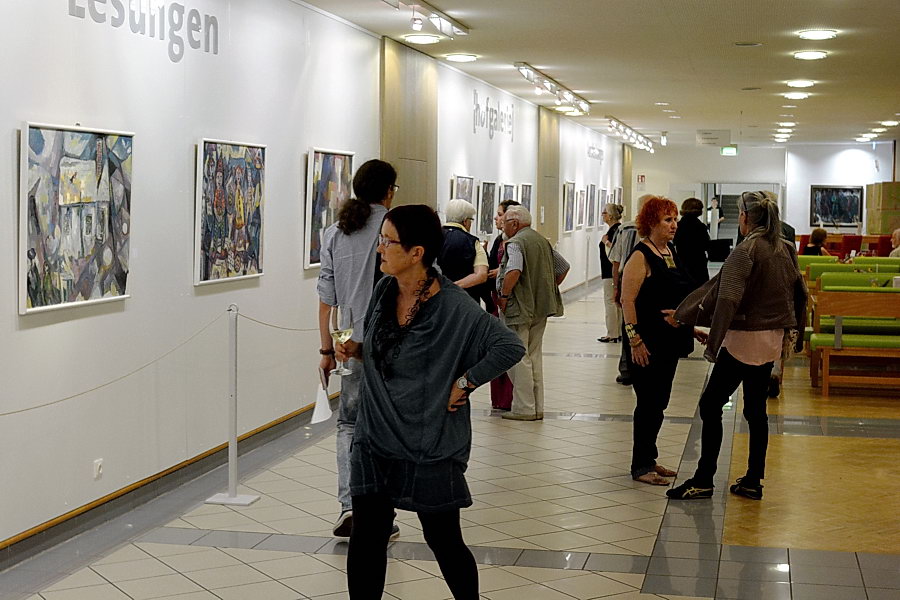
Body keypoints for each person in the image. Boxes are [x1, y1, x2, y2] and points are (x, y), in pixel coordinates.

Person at [337, 205, 525, 599]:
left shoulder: (454, 306)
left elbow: (509, 346)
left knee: (443, 539)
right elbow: (386, 350)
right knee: (367, 537)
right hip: (374, 437)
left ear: (416, 252)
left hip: (428, 442)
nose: (379, 248)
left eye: (388, 241)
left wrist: (466, 382)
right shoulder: (385, 290)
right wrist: (356, 349)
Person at [667, 191, 807, 501]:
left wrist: (711, 339)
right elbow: (799, 291)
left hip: (745, 340)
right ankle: (753, 480)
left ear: (744, 217)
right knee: (756, 410)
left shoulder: (746, 250)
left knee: (710, 405)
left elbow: (726, 298)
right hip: (771, 339)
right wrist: (796, 332)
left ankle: (704, 479)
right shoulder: (783, 246)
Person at [316, 159, 399, 539]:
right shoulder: (395, 228)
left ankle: (350, 505)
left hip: (348, 345)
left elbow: (326, 300)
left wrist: (325, 350)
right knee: (386, 425)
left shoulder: (336, 232)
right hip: (391, 343)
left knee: (349, 424)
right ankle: (380, 512)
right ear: (389, 191)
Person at [620, 196, 700, 485]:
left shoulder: (670, 251)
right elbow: (627, 300)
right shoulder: (640, 256)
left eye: (675, 219)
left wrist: (691, 328)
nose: (674, 225)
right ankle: (640, 466)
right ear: (651, 223)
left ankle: (650, 458)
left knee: (659, 402)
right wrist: (635, 341)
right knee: (648, 403)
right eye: (667, 220)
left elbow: (674, 295)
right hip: (647, 341)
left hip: (669, 341)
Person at [497, 206, 570, 421]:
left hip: (520, 308)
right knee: (534, 355)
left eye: (505, 222)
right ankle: (537, 406)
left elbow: (514, 270)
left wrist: (504, 295)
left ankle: (524, 408)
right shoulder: (541, 241)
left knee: (518, 356)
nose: (502, 226)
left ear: (515, 223)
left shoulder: (516, 243)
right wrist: (547, 287)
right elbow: (563, 267)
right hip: (540, 307)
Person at [609, 194, 654, 385]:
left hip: (626, 280)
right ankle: (638, 364)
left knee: (627, 323)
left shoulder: (624, 228)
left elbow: (615, 260)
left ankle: (627, 368)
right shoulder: (648, 229)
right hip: (646, 282)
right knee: (639, 322)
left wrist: (616, 285)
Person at [486, 199, 521, 410]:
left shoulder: (517, 243)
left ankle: (509, 397)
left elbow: (515, 270)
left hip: (507, 301)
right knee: (495, 347)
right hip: (494, 299)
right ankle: (499, 399)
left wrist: (501, 273)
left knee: (508, 346)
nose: (496, 218)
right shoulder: (499, 240)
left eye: (500, 214)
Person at [437, 199, 488, 302]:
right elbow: (481, 275)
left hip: (435, 299)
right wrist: (453, 286)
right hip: (465, 300)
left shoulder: (432, 238)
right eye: (471, 220)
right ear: (465, 221)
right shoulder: (473, 242)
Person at [598, 203, 623, 342]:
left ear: (611, 216)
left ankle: (612, 333)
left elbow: (616, 251)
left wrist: (606, 242)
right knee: (616, 302)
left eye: (604, 213)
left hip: (611, 272)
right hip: (612, 271)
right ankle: (618, 331)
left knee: (610, 301)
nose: (603, 215)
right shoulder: (617, 229)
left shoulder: (614, 231)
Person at [673, 198, 710, 288]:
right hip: (699, 264)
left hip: (682, 262)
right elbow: (706, 245)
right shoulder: (701, 227)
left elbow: (674, 242)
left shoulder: (677, 226)